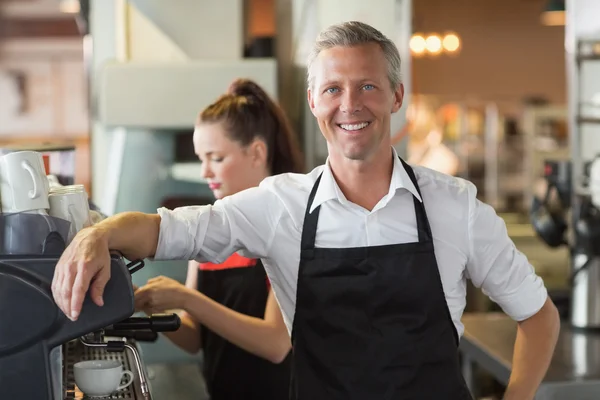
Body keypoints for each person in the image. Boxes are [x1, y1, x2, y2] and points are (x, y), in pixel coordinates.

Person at [52, 21, 560, 400]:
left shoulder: (456, 206)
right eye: (333, 89)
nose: (350, 105)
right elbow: (171, 231)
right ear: (315, 101)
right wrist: (98, 236)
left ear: (396, 95)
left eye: (367, 86)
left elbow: (537, 315)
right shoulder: (281, 206)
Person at [134, 78, 301, 400]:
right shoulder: (208, 233)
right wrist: (146, 303)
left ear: (257, 152)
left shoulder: (287, 225)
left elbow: (276, 345)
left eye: (216, 158)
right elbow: (196, 337)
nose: (204, 172)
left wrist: (186, 298)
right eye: (201, 158)